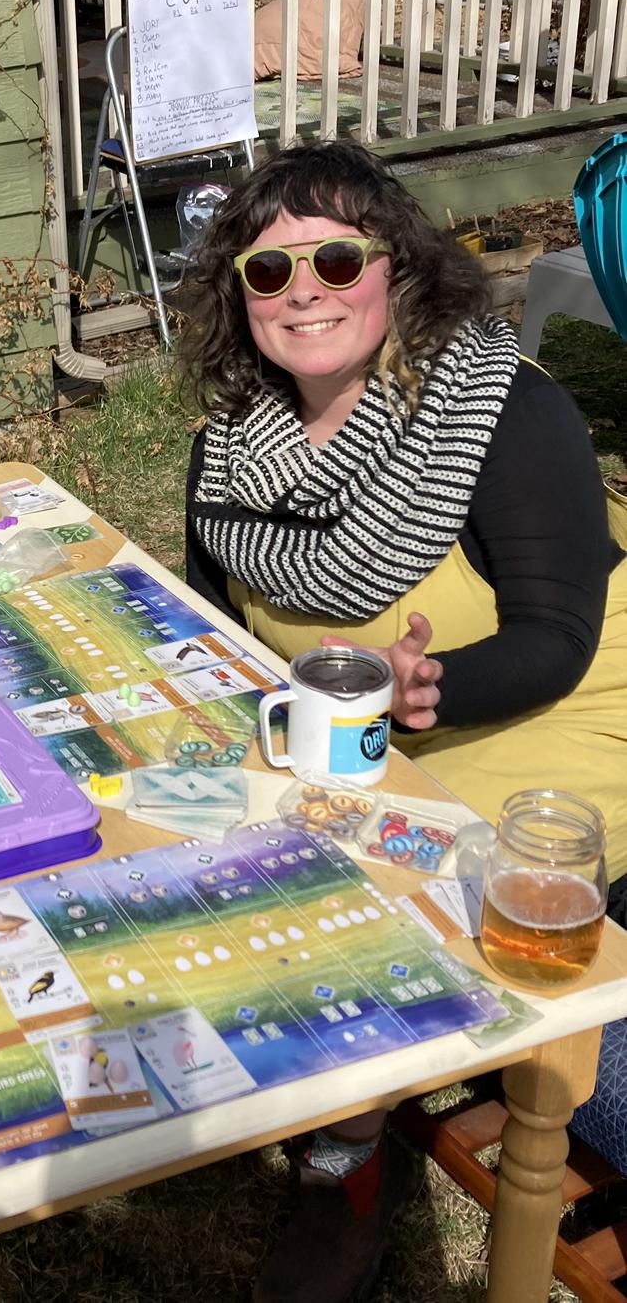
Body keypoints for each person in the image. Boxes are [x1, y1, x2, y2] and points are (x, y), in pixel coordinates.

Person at [178, 141, 627, 1303]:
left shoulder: (504, 409)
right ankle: (342, 1138)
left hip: (548, 743)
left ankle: (341, 1166)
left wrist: (426, 693)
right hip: (358, 758)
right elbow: (206, 632)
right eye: (269, 274)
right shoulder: (227, 452)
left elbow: (555, 635)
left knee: (356, 926)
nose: (306, 291)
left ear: (399, 268)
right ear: (239, 298)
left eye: (336, 257)